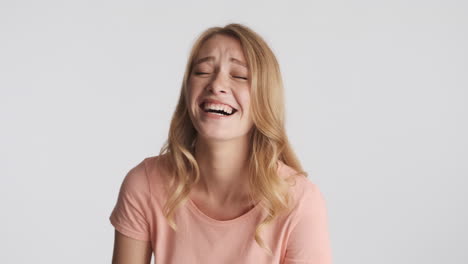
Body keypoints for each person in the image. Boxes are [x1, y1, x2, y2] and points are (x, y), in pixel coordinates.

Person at [109, 23, 333, 264]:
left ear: (265, 98)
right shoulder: (144, 183)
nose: (216, 85)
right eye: (202, 72)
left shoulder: (300, 201)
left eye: (239, 76)